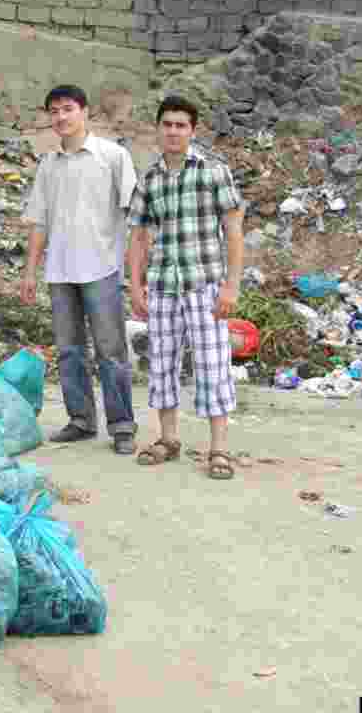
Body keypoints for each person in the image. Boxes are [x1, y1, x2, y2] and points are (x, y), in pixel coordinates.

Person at [127, 95, 245, 479]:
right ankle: (168, 439)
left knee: (212, 365)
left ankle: (219, 448)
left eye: (181, 125)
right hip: (163, 286)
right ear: (158, 129)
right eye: (167, 124)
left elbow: (233, 230)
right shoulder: (149, 179)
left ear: (192, 131)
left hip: (204, 285)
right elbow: (139, 237)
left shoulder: (213, 172)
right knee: (162, 364)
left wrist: (231, 286)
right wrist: (136, 286)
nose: (173, 131)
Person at [19, 84, 138, 454]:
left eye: (68, 109)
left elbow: (135, 215)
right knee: (69, 350)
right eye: (54, 111)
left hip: (102, 266)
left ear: (85, 112)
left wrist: (134, 269)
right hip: (60, 270)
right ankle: (82, 420)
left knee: (110, 350)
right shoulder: (49, 165)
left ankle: (122, 425)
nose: (61, 117)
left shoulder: (113, 156)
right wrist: (30, 271)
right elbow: (39, 221)